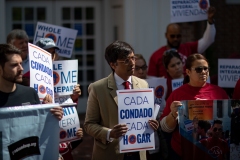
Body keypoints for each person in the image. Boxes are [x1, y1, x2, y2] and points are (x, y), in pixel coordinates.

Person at [84, 40, 159, 160]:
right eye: (126, 60)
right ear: (113, 65)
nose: (132, 63)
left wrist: (152, 124)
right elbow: (89, 124)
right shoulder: (98, 88)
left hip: (138, 153)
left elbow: (146, 118)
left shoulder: (143, 84)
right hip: (111, 153)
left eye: (133, 58)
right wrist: (109, 133)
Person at [160, 53, 228, 159]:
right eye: (199, 69)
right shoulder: (177, 94)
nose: (204, 72)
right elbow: (165, 128)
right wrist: (173, 114)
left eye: (206, 69)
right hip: (182, 153)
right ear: (188, 72)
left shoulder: (220, 93)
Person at [35, 38, 82, 160]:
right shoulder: (27, 77)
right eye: (46, 53)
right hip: (42, 140)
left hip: (63, 142)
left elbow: (68, 104)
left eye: (52, 52)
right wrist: (43, 106)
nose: (50, 56)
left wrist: (74, 97)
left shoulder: (62, 73)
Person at [148, 7, 216, 78]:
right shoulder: (156, 56)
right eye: (172, 36)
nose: (175, 39)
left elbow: (208, 40)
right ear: (166, 35)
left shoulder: (189, 48)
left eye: (178, 36)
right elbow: (152, 79)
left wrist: (210, 22)